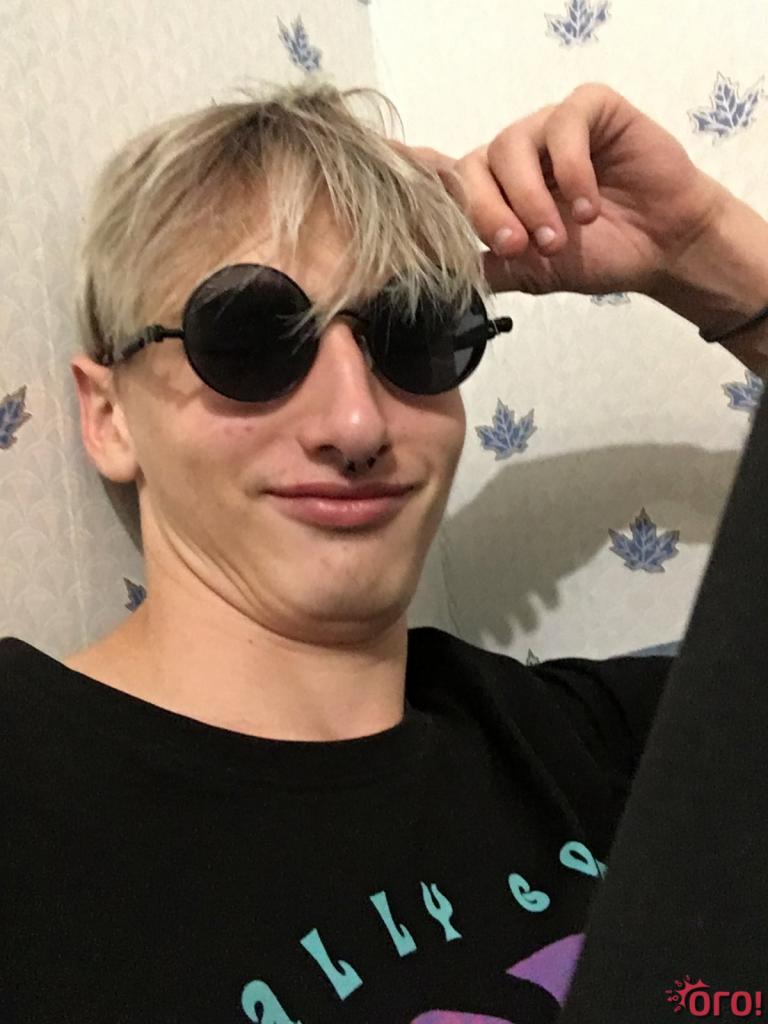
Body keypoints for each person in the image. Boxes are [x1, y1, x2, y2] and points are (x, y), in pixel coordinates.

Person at [1, 81, 766, 1024]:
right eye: (249, 338)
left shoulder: (591, 746)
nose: (357, 423)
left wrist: (711, 255)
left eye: (415, 334)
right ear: (110, 416)